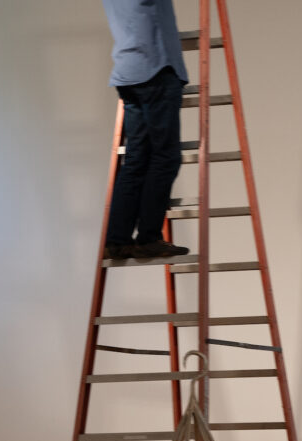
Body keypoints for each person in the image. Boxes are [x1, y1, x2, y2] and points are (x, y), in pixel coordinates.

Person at [101, 0, 190, 260]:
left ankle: (117, 240)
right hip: (155, 69)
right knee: (166, 157)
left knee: (136, 161)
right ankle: (149, 237)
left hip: (129, 71)